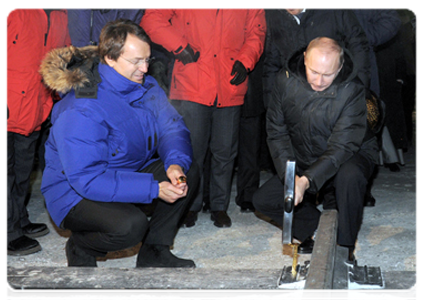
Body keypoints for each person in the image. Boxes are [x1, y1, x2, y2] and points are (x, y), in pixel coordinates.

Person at [39, 19, 199, 268]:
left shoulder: (146, 86)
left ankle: (154, 251)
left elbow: (172, 127)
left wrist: (175, 163)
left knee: (186, 171)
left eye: (147, 60)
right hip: (74, 192)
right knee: (130, 226)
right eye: (135, 61)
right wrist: (153, 188)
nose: (144, 69)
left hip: (122, 171)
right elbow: (87, 178)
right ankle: (81, 246)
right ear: (109, 58)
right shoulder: (82, 106)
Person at [252, 37, 379, 261]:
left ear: (339, 68)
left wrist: (307, 180)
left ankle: (344, 245)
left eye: (327, 75)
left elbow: (342, 146)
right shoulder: (284, 81)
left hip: (349, 155)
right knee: (263, 200)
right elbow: (277, 132)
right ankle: (315, 227)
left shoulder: (352, 89)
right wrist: (290, 176)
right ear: (304, 60)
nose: (319, 81)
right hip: (306, 155)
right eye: (314, 72)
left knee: (349, 177)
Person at [141, 9, 266, 228]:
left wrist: (246, 60)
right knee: (191, 152)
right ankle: (189, 205)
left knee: (225, 151)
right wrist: (179, 46)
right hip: (192, 82)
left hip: (229, 83)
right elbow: (152, 18)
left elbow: (257, 31)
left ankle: (219, 206)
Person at [5, 8, 71, 256]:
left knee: (22, 171)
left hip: (33, 107)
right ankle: (8, 232)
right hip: (7, 101)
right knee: (5, 174)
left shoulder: (61, 14)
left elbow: (60, 62)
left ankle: (17, 219)